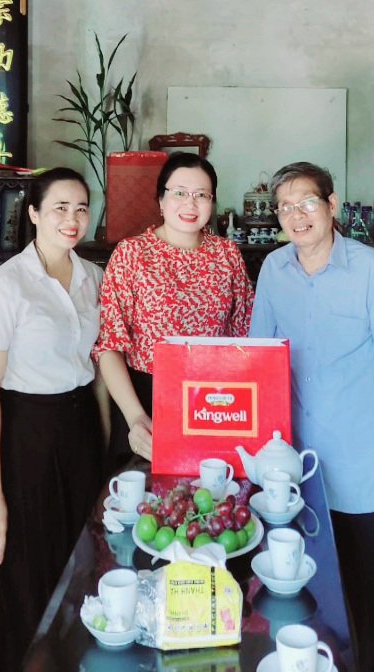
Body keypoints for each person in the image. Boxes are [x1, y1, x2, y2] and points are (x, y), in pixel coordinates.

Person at [249, 162, 374, 672]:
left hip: (366, 472)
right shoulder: (273, 270)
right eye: (285, 207)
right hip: (297, 478)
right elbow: (261, 363)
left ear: (332, 205)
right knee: (304, 610)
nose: (296, 215)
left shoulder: (368, 267)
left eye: (307, 203)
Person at [0, 167, 105, 672]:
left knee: (84, 562)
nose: (72, 219)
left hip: (81, 430)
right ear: (33, 214)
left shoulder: (94, 277)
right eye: (59, 208)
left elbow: (98, 368)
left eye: (81, 208)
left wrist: (105, 446)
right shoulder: (5, 286)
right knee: (30, 573)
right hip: (26, 433)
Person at [94, 152, 253, 468]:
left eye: (201, 195)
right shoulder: (132, 254)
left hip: (214, 399)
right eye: (179, 192)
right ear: (161, 200)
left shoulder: (227, 255)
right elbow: (110, 346)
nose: (190, 204)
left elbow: (246, 334)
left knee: (213, 491)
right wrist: (136, 417)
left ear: (212, 202)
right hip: (145, 400)